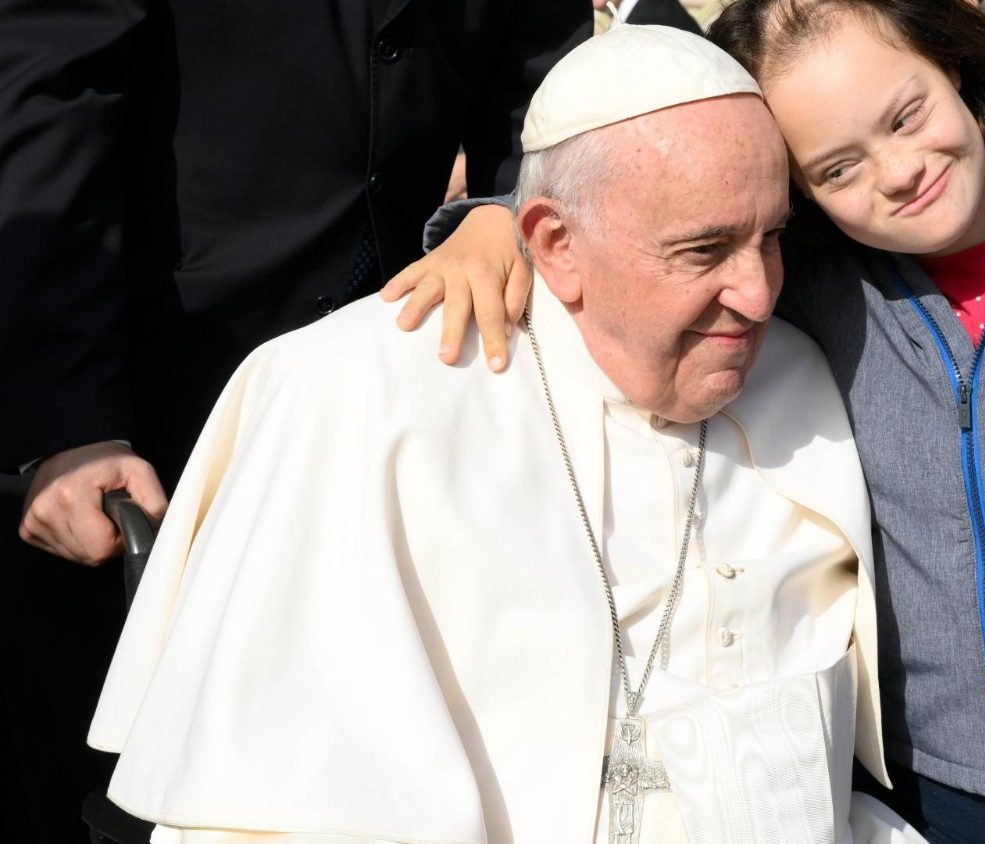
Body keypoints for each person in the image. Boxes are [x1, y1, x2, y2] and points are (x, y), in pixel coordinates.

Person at [387, 2, 985, 840]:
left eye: (906, 113)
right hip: (920, 809)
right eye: (837, 167)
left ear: (955, 59)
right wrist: (496, 220)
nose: (900, 171)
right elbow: (644, 207)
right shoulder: (821, 287)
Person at [88, 25, 920, 843]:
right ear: (556, 244)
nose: (757, 293)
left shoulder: (803, 372)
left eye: (771, 238)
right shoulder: (355, 397)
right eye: (703, 251)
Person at [0, 3, 589, 838]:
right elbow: (52, 86)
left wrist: (502, 205)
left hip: (406, 385)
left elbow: (544, 87)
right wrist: (66, 425)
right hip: (145, 409)